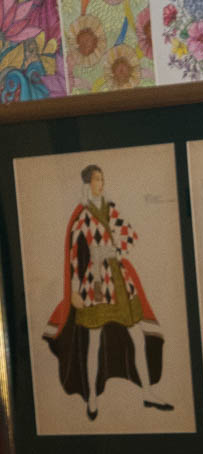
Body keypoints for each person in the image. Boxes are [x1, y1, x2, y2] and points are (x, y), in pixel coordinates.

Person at [43, 164, 169, 421]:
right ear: (88, 183)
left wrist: (115, 248)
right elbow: (74, 255)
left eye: (102, 179)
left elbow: (129, 236)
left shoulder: (111, 209)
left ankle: (147, 391)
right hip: (95, 283)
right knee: (93, 343)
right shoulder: (82, 216)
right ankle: (91, 396)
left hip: (120, 280)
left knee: (137, 336)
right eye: (97, 179)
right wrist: (76, 290)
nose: (101, 183)